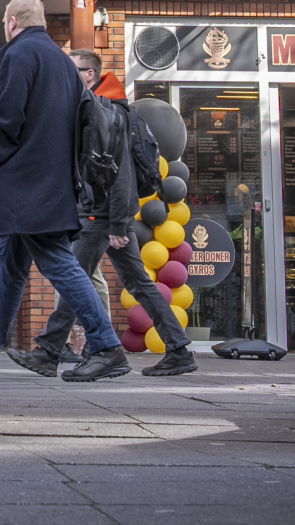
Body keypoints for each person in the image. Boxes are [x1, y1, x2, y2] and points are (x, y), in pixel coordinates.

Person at [0, 0, 130, 383]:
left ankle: (107, 346)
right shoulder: (62, 62)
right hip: (50, 184)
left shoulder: (19, 54)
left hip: (25, 186)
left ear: (11, 22)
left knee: (58, 262)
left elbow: (8, 116)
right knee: (10, 265)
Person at [15, 50, 197, 376]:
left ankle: (50, 350)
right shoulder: (91, 109)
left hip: (103, 216)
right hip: (103, 213)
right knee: (137, 283)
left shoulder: (108, 111)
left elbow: (121, 173)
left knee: (74, 277)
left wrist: (117, 222)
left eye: (74, 70)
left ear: (90, 74)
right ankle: (179, 349)